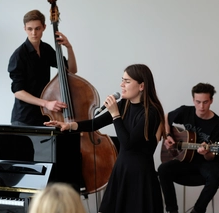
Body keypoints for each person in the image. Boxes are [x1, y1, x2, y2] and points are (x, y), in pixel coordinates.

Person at [44, 64, 165, 213]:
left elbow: (127, 144)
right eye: (122, 80)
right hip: (122, 169)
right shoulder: (124, 104)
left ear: (141, 86)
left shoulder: (151, 112)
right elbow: (96, 123)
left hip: (140, 175)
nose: (121, 85)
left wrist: (115, 115)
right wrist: (68, 125)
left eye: (127, 81)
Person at [158, 82, 219, 213]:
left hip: (205, 164)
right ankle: (172, 211)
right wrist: (167, 135)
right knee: (163, 169)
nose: (201, 106)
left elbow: (214, 156)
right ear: (193, 100)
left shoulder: (218, 124)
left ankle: (198, 210)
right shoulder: (186, 112)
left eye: (205, 102)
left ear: (211, 100)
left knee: (216, 174)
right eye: (198, 101)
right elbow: (166, 117)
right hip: (185, 161)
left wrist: (206, 152)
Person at [8, 9, 77, 126]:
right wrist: (46, 103)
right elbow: (18, 92)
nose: (34, 33)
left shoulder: (46, 49)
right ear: (25, 28)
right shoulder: (18, 55)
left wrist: (69, 47)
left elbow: (71, 70)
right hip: (24, 118)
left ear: (44, 27)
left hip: (44, 116)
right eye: (30, 29)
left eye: (37, 28)